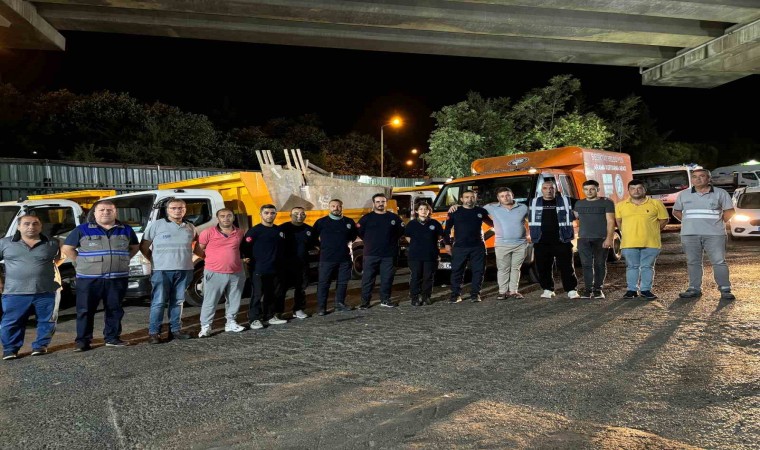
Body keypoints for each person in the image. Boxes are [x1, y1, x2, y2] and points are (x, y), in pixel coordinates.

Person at [62, 200, 139, 351]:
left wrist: (123, 259)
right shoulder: (82, 229)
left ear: (115, 212)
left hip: (117, 278)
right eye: (102, 210)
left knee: (115, 309)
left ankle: (112, 338)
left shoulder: (126, 229)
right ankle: (82, 341)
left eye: (109, 210)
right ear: (94, 213)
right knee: (85, 310)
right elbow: (67, 248)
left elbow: (134, 247)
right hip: (89, 279)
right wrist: (80, 262)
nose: (105, 212)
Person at [1, 214, 63, 359]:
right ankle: (10, 349)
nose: (31, 227)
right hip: (14, 292)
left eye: (35, 224)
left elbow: (60, 258)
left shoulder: (52, 243)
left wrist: (44, 271)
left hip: (47, 290)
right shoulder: (5, 243)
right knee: (11, 322)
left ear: (41, 226)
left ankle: (41, 346)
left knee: (47, 321)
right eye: (26, 224)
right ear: (18, 227)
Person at [140, 198, 201, 343]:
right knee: (159, 302)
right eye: (173, 208)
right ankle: (154, 333)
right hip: (162, 270)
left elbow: (197, 248)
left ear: (185, 209)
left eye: (181, 208)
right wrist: (154, 260)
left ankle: (175, 330)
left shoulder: (190, 227)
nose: (177, 210)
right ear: (167, 210)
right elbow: (143, 246)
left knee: (178, 301)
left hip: (184, 270)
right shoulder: (157, 225)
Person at [673, 168, 736, 300]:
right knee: (693, 262)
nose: (698, 179)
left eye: (702, 176)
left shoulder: (720, 193)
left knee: (719, 262)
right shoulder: (684, 194)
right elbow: (676, 211)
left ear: (709, 179)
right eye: (695, 177)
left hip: (714, 234)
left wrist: (717, 223)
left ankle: (725, 289)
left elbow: (729, 211)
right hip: (689, 234)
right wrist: (689, 222)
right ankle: (694, 288)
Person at [615, 179, 669, 300]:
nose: (636, 191)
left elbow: (664, 219)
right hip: (629, 243)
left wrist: (652, 230)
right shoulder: (620, 205)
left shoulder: (656, 203)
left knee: (647, 267)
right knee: (632, 267)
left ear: (645, 189)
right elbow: (619, 222)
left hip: (651, 242)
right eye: (633, 188)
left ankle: (645, 290)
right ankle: (631, 290)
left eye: (639, 188)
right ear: (628, 190)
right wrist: (628, 232)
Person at [196, 208, 246, 338]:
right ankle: (206, 326)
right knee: (210, 300)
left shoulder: (239, 233)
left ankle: (231, 322)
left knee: (234, 299)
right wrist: (210, 259)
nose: (226, 218)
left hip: (236, 272)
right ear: (217, 218)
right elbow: (198, 250)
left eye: (229, 215)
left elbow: (239, 250)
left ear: (233, 217)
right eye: (222, 216)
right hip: (214, 272)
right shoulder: (208, 232)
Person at [529, 180, 579, 299]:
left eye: (551, 188)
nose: (548, 190)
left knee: (566, 266)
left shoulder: (567, 200)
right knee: (543, 267)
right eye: (545, 188)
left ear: (555, 189)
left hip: (562, 239)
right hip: (541, 241)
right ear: (541, 190)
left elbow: (584, 205)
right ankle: (547, 289)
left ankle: (571, 290)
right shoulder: (534, 202)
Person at [241, 204, 287, 329]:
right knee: (257, 294)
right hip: (259, 268)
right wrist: (248, 260)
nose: (269, 215)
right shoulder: (254, 231)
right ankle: (254, 319)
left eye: (272, 213)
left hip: (275, 269)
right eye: (266, 213)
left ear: (275, 215)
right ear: (260, 214)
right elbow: (245, 248)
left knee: (271, 293)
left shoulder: (279, 231)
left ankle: (270, 316)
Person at [444, 190, 492, 303]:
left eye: (472, 197)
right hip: (460, 247)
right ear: (461, 199)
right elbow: (447, 230)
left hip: (478, 246)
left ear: (475, 198)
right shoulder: (454, 211)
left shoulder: (481, 211)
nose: (469, 199)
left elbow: (492, 224)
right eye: (466, 197)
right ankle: (455, 295)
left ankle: (475, 294)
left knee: (478, 271)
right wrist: (447, 244)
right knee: (457, 271)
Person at [358, 193, 405, 308]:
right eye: (378, 202)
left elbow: (400, 232)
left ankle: (385, 300)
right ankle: (365, 302)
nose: (380, 204)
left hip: (388, 254)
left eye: (382, 202)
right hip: (370, 254)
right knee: (368, 279)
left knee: (387, 278)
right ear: (373, 203)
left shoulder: (394, 218)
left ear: (386, 203)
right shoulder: (366, 218)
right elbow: (360, 232)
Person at [313, 199, 358, 315]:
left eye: (338, 206)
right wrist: (322, 248)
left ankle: (340, 304)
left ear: (342, 207)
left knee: (343, 283)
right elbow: (313, 238)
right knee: (324, 283)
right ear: (329, 207)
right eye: (333, 206)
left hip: (344, 258)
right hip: (327, 259)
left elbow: (352, 237)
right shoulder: (321, 222)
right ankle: (321, 307)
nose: (336, 208)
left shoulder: (348, 222)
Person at [484, 187, 530, 300]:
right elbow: (473, 209)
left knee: (516, 268)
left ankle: (513, 291)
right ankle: (502, 292)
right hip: (502, 244)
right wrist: (456, 206)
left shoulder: (523, 207)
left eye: (507, 195)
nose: (505, 198)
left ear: (512, 195)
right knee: (503, 268)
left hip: (520, 244)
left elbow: (532, 220)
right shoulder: (491, 207)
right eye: (502, 196)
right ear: (498, 198)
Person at [573, 180, 616, 299]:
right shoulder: (579, 204)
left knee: (599, 264)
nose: (589, 191)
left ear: (597, 189)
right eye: (586, 189)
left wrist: (609, 239)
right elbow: (574, 217)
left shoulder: (606, 202)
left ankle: (598, 289)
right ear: (583, 190)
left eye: (592, 189)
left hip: (600, 238)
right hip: (583, 239)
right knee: (586, 265)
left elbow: (611, 221)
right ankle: (588, 290)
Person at [275, 207, 318, 319]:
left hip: (302, 264)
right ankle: (278, 312)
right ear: (290, 215)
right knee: (281, 289)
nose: (299, 216)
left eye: (302, 213)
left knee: (301, 288)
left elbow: (316, 244)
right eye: (296, 213)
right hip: (285, 264)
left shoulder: (309, 230)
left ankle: (298, 309)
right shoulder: (282, 228)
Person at [403, 202, 443, 306]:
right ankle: (415, 298)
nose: (423, 211)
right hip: (415, 255)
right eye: (421, 209)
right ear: (416, 211)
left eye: (426, 209)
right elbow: (408, 237)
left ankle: (426, 297)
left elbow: (439, 237)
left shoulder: (435, 223)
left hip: (430, 255)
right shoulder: (412, 224)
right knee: (416, 276)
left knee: (428, 277)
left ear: (429, 211)